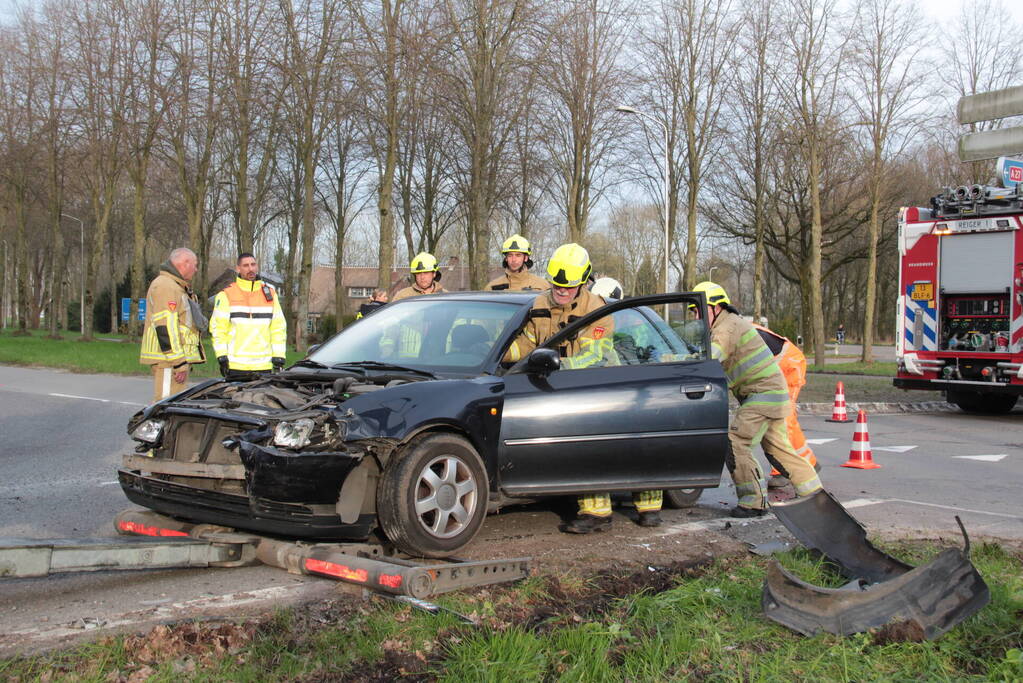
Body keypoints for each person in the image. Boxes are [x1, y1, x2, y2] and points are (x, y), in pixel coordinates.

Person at [504, 245, 644, 533]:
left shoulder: (598, 310)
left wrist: (555, 366)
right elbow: (528, 344)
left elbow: (595, 356)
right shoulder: (539, 303)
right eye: (558, 285)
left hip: (597, 385)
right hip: (556, 385)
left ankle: (602, 513)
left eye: (569, 287)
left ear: (583, 282)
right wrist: (499, 352)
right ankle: (588, 506)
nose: (562, 291)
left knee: (591, 443)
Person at [693, 281, 823, 517]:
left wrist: (676, 358)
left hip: (762, 395)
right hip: (771, 395)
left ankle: (752, 502)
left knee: (736, 441)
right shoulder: (727, 325)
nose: (695, 315)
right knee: (779, 450)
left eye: (699, 309)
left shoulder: (727, 327)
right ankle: (816, 495)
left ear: (716, 307)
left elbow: (711, 358)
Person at [752, 324, 820, 488]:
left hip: (789, 365)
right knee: (782, 420)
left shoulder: (735, 331)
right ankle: (807, 463)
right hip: (777, 367)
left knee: (782, 419)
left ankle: (785, 471)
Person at [140, 247, 207, 402]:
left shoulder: (175, 286)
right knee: (164, 405)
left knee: (172, 404)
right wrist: (178, 363)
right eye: (194, 265)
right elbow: (166, 328)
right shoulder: (166, 286)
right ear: (184, 263)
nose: (196, 270)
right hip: (168, 361)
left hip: (171, 361)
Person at [209, 252, 287, 381]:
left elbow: (278, 328)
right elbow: (218, 329)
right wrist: (221, 357)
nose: (250, 269)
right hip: (235, 366)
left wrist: (279, 357)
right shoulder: (226, 295)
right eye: (246, 265)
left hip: (264, 365)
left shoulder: (270, 294)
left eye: (253, 264)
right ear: (238, 269)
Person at [485, 234, 549, 291]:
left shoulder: (542, 286)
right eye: (510, 255)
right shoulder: (492, 287)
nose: (514, 259)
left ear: (526, 258)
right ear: (506, 258)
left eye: (518, 255)